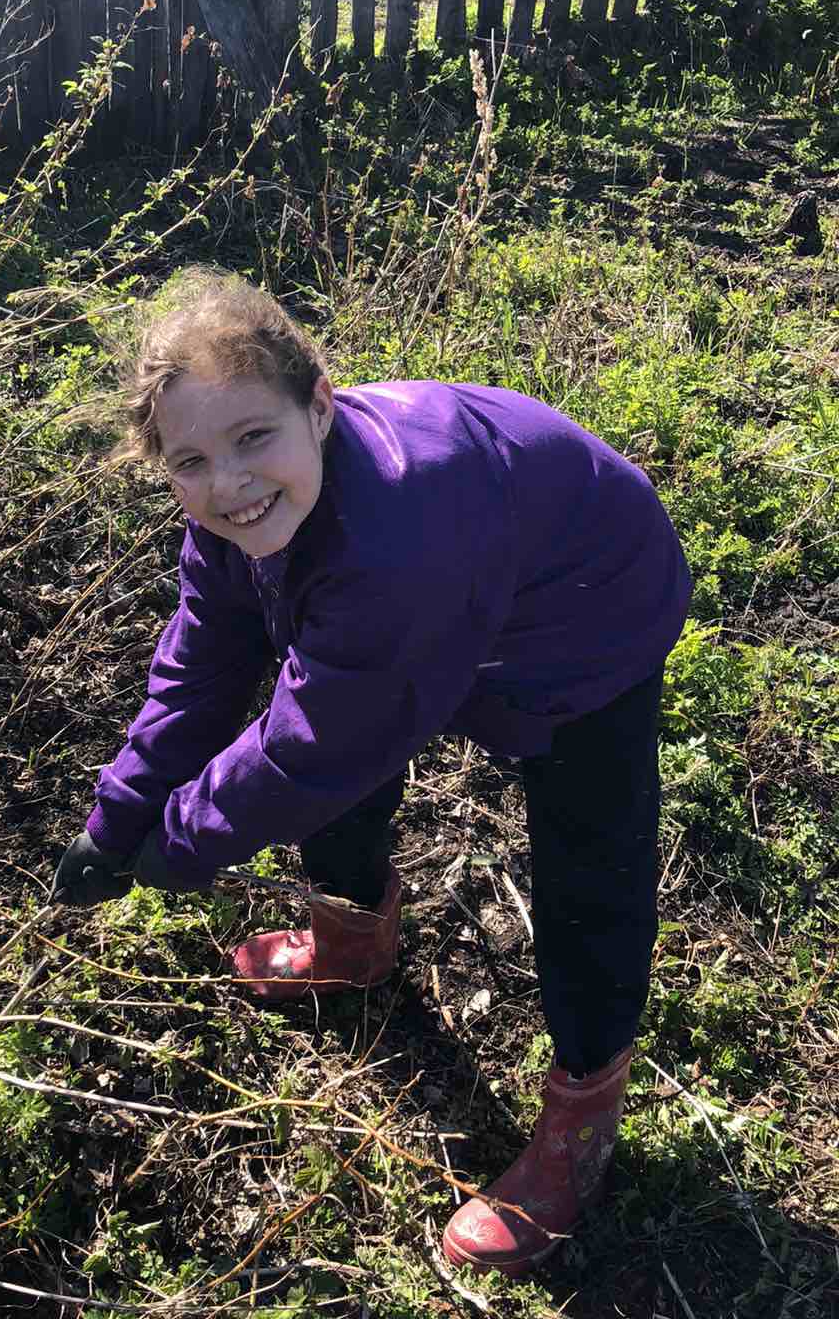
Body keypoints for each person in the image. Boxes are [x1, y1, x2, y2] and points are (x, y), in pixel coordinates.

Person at [53, 269, 691, 1277]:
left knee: (590, 864)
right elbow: (203, 662)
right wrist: (120, 812)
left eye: (253, 437)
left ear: (320, 405)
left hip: (586, 608)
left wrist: (181, 844)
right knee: (344, 748)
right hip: (451, 594)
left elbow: (310, 745)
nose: (229, 484)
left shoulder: (394, 544)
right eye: (192, 461)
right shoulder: (242, 519)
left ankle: (583, 1116)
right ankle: (354, 941)